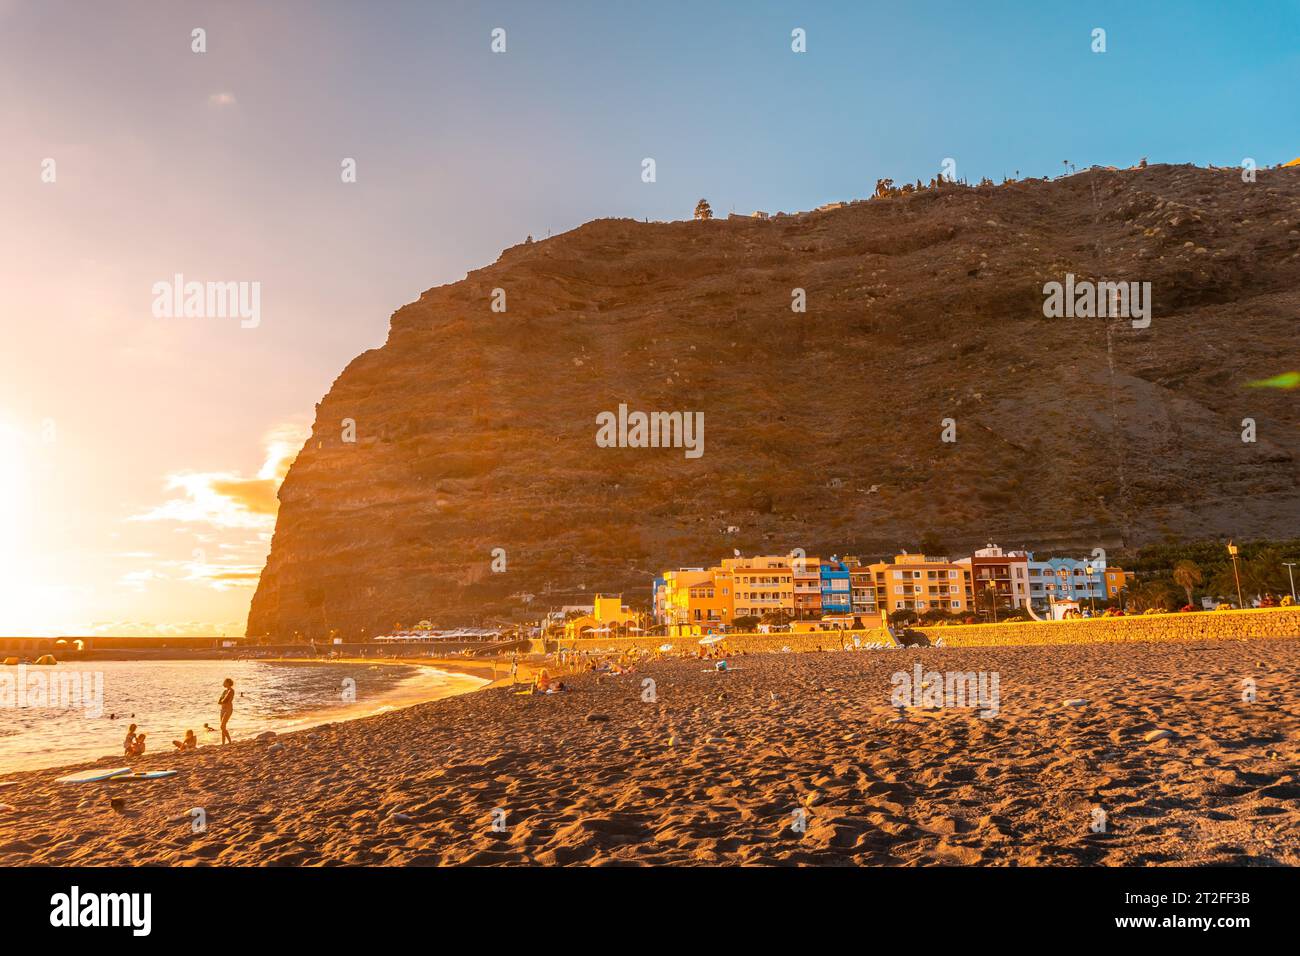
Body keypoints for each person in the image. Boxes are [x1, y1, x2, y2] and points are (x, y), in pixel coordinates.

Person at [219, 678, 235, 744]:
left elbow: (225, 700)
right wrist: (222, 701)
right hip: (222, 709)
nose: (223, 683)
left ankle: (230, 741)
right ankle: (223, 743)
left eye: (224, 682)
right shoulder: (225, 691)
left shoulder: (231, 690)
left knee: (222, 726)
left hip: (228, 709)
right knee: (223, 727)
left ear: (228, 683)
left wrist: (222, 701)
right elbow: (220, 701)